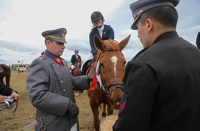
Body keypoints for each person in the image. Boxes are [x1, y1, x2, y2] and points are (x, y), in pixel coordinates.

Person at [113, 0, 200, 131]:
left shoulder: (141, 65)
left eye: (138, 28)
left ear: (148, 24)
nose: (137, 35)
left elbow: (128, 126)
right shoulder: (196, 53)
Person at [26, 28, 93, 131]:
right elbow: (37, 96)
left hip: (69, 118)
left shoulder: (62, 62)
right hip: (52, 122)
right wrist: (66, 104)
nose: (64, 46)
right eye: (59, 43)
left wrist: (86, 80)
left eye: (63, 43)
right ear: (48, 43)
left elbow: (67, 81)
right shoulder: (40, 63)